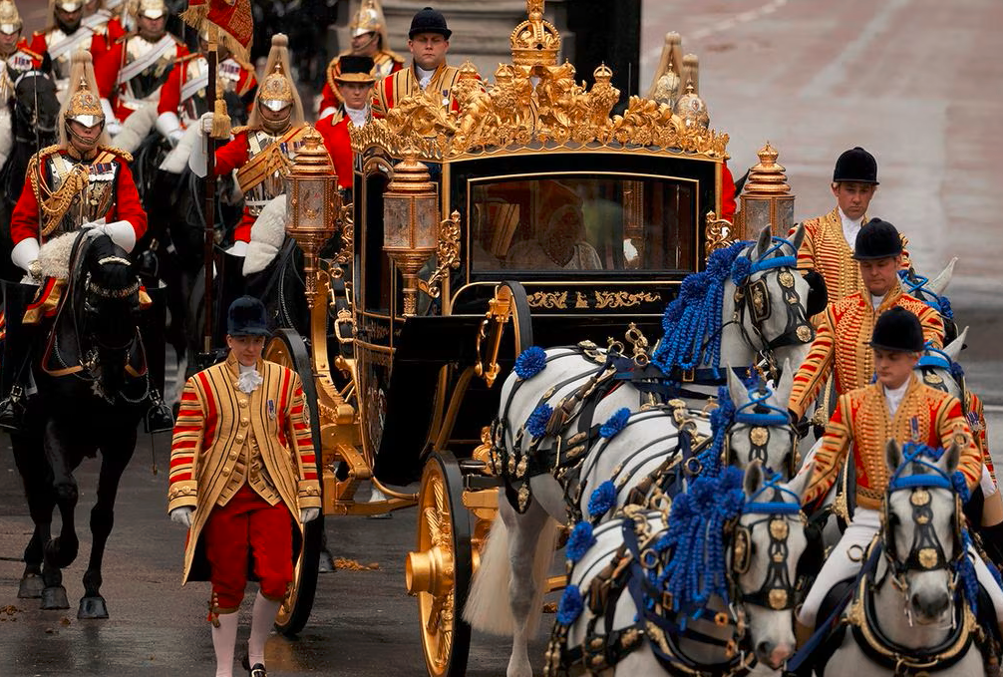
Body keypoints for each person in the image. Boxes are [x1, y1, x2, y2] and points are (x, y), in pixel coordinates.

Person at [794, 308, 1003, 664]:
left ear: (914, 358)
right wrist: (790, 497)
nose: (883, 364)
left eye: (893, 356)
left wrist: (946, 489)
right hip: (868, 520)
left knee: (998, 605)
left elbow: (968, 458)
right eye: (879, 355)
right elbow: (825, 465)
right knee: (809, 610)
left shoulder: (943, 405)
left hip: (934, 521)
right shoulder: (851, 405)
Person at [168, 296, 321, 677]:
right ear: (229, 340)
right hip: (222, 497)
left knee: (278, 577)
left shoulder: (286, 381)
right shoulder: (201, 385)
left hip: (272, 494)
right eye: (243, 340)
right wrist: (183, 495)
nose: (250, 348)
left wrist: (309, 492)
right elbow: (187, 441)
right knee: (227, 583)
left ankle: (255, 649)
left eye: (257, 340)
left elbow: (302, 439)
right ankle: (223, 667)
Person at [787, 218, 943, 423]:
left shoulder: (924, 316)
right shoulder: (837, 314)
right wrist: (790, 412)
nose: (874, 272)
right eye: (867, 265)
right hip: (848, 428)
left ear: (898, 262)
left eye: (881, 264)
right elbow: (813, 369)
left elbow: (930, 376)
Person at [9, 49, 146, 281]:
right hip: (51, 261)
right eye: (81, 123)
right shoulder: (44, 164)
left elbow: (136, 218)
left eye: (95, 122)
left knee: (136, 301)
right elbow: (22, 221)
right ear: (69, 124)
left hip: (104, 253)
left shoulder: (117, 164)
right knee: (25, 310)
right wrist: (34, 262)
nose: (88, 128)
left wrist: (107, 232)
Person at [188, 33, 326, 255]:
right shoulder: (246, 139)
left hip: (299, 230)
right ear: (258, 106)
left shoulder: (308, 139)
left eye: (281, 107)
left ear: (290, 107)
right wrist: (200, 137)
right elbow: (206, 168)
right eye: (269, 107)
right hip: (252, 228)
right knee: (225, 271)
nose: (274, 113)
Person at [791, 147, 910, 308]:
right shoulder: (808, 233)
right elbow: (800, 294)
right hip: (819, 330)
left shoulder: (894, 240)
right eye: (850, 190)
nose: (857, 199)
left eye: (864, 191)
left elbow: (903, 293)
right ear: (835, 189)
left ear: (873, 192)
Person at [93, 0, 187, 129]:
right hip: (125, 117)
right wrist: (109, 122)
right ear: (139, 18)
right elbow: (99, 88)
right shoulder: (123, 46)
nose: (154, 22)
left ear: (165, 18)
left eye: (159, 18)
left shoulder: (179, 49)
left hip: (162, 117)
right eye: (148, 18)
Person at [155, 32, 256, 147]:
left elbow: (252, 116)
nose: (208, 45)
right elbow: (166, 107)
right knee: (174, 164)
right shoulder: (184, 67)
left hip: (228, 140)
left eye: (214, 41)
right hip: (187, 136)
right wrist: (176, 135)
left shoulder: (244, 74)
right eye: (204, 40)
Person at [317, 0, 401, 121]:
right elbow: (328, 101)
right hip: (343, 125)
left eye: (359, 36)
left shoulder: (393, 66)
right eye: (353, 35)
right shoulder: (340, 64)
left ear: (375, 39)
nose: (354, 40)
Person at [371, 6, 461, 117]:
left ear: (445, 45)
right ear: (411, 45)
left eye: (435, 40)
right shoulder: (386, 87)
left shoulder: (465, 82)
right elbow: (376, 132)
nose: (429, 46)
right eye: (422, 40)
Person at [313, 54, 374, 190]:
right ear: (341, 88)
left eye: (362, 86)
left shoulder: (383, 124)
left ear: (370, 88)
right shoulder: (324, 127)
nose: (357, 92)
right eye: (351, 86)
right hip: (340, 202)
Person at [29, 0, 108, 97]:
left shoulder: (94, 38)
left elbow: (102, 75)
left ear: (81, 10)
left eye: (75, 12)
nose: (71, 17)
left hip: (87, 96)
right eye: (65, 13)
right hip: (54, 96)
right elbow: (33, 76)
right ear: (57, 11)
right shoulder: (43, 39)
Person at [0, 0, 44, 172]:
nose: (8, 37)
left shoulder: (32, 61)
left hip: (26, 121)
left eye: (13, 31)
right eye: (3, 32)